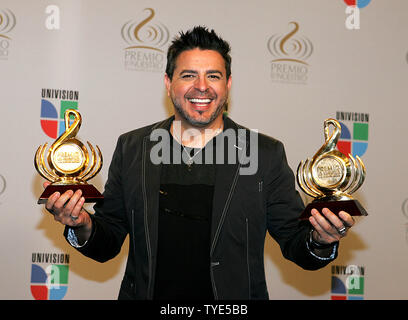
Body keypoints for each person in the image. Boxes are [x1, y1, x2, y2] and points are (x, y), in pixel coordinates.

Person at [43, 26, 355, 300]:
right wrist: (81, 225)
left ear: (228, 85)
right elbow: (107, 240)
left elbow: (295, 242)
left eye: (213, 76)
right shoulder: (133, 148)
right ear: (168, 83)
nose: (202, 86)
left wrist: (320, 240)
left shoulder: (265, 154)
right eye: (189, 75)